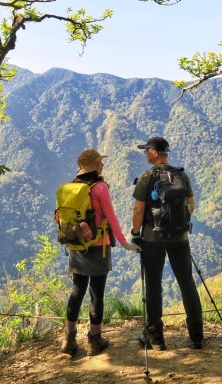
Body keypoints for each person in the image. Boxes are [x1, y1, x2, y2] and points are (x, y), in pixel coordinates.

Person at [60, 149, 141, 357]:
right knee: (96, 292)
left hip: (77, 246)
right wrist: (125, 243)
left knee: (77, 291)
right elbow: (111, 218)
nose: (102, 165)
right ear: (95, 166)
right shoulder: (100, 188)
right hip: (99, 246)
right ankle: (94, 341)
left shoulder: (70, 186)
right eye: (99, 162)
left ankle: (68, 340)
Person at [130, 136, 204, 350]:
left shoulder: (146, 177)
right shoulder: (181, 175)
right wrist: (179, 223)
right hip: (180, 238)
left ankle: (155, 338)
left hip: (152, 239)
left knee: (153, 285)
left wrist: (136, 233)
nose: (145, 154)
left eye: (146, 151)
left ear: (154, 153)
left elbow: (138, 210)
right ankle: (197, 336)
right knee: (187, 283)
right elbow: (191, 205)